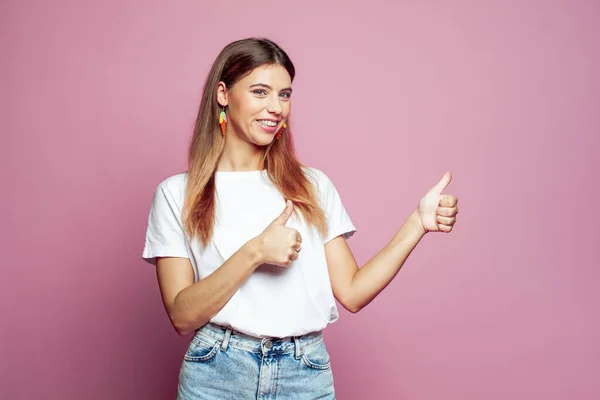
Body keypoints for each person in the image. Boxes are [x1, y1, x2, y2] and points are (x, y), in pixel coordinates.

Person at [142, 37, 459, 400]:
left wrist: (417, 223)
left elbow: (353, 293)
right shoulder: (176, 194)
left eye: (285, 95)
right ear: (223, 94)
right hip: (217, 372)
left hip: (303, 373)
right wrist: (255, 251)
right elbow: (182, 316)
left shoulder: (312, 186)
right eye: (260, 92)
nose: (275, 107)